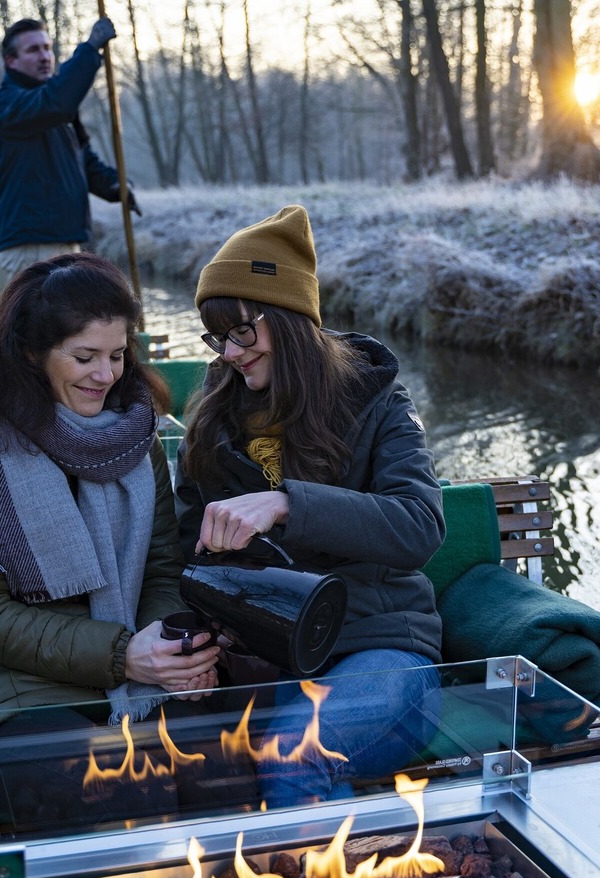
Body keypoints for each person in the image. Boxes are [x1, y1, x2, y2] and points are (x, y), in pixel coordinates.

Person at [174, 205, 446, 807]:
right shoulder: (213, 419)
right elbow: (186, 551)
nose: (229, 353)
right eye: (218, 337)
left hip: (383, 651)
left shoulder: (379, 402)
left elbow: (420, 526)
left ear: (289, 319)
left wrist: (286, 504)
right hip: (270, 659)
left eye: (242, 332)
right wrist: (198, 637)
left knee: (292, 757)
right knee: (191, 774)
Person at [0, 252, 219, 732]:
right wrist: (123, 656)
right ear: (30, 354)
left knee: (220, 756)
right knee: (87, 774)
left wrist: (167, 649)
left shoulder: (136, 439)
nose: (106, 375)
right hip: (6, 687)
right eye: (84, 358)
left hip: (136, 675)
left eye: (117, 355)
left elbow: (161, 572)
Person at [0, 18, 140, 279]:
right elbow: (57, 101)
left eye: (47, 48)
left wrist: (114, 184)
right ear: (11, 61)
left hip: (63, 241)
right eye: (33, 50)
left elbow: (82, 160)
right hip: (33, 246)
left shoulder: (54, 107)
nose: (45, 57)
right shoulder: (6, 104)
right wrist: (89, 49)